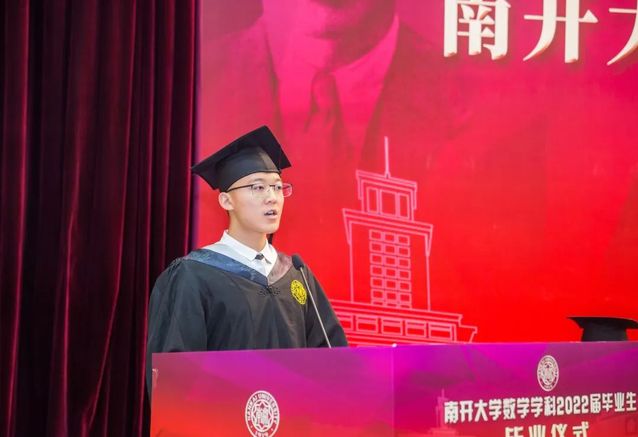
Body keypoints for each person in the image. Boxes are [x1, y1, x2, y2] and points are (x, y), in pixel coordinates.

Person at [146, 126, 348, 392]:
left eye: (278, 187)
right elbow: (175, 377)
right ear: (226, 201)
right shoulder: (194, 275)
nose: (271, 198)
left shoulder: (296, 275)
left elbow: (332, 362)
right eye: (258, 187)